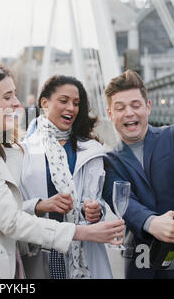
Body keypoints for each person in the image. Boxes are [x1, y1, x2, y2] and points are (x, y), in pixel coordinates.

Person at [0, 62, 125, 279]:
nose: (17, 103)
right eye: (7, 97)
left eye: (15, 95)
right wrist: (80, 232)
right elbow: (10, 220)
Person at [102, 69, 174, 279]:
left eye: (136, 105)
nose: (129, 112)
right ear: (110, 114)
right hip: (145, 264)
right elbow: (124, 201)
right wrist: (151, 223)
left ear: (147, 107)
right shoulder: (108, 161)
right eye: (120, 108)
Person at [20, 75, 113, 279]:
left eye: (76, 103)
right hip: (41, 252)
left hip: (84, 252)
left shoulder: (92, 151)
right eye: (63, 101)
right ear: (44, 103)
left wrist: (96, 211)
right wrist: (39, 205)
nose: (71, 108)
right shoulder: (23, 150)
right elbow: (12, 208)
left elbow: (97, 201)